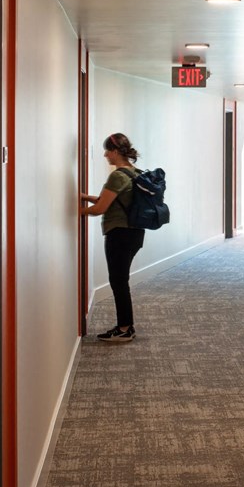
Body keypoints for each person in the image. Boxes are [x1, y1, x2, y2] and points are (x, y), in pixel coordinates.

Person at [80, 133, 145, 342]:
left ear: (116, 151)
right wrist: (85, 198)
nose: (105, 154)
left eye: (108, 150)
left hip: (120, 234)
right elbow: (110, 200)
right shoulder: (135, 173)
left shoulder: (117, 176)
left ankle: (125, 328)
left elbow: (100, 209)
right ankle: (126, 326)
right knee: (120, 280)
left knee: (118, 281)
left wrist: (76, 210)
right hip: (135, 233)